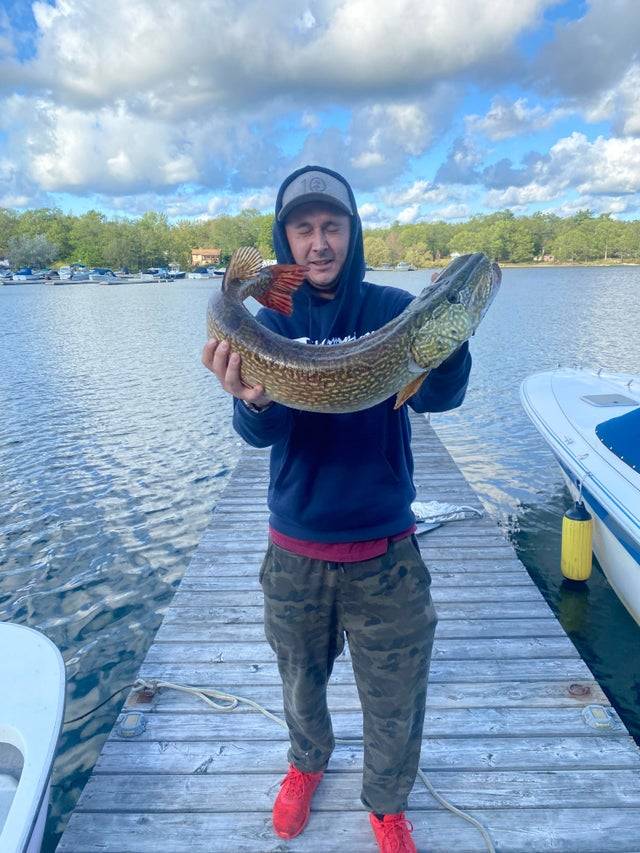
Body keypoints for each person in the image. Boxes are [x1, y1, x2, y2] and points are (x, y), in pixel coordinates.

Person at [202, 165, 472, 853]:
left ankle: (386, 802)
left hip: (386, 551)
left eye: (332, 226)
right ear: (284, 240)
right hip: (296, 549)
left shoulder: (391, 308)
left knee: (396, 696)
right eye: (303, 229)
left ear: (352, 233)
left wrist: (452, 339)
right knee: (300, 681)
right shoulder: (267, 319)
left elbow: (440, 396)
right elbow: (258, 433)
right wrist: (251, 397)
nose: (318, 242)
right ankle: (307, 761)